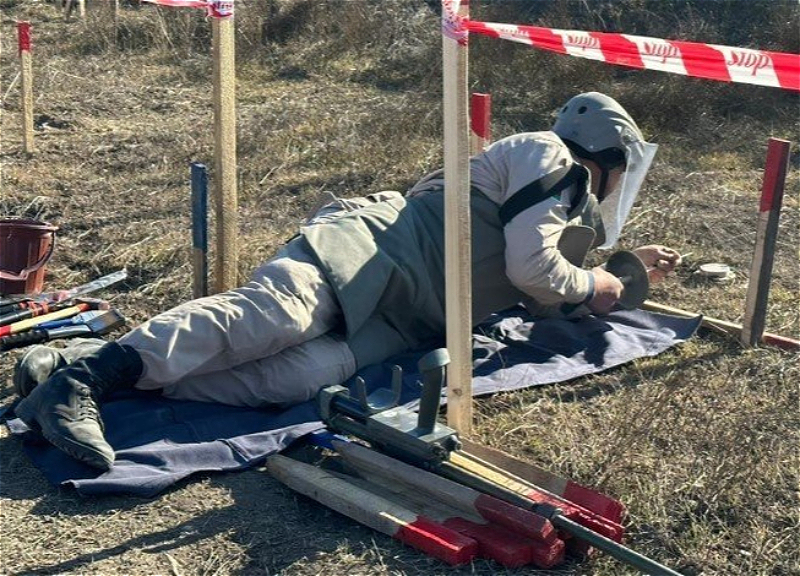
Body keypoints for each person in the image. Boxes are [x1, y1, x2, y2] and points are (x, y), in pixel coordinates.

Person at [14, 92, 682, 471]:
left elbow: (551, 284)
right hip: (370, 255)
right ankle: (82, 383)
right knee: (273, 318)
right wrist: (594, 283)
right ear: (609, 151)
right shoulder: (550, 154)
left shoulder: (566, 209)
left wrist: (623, 270)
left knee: (288, 379)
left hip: (403, 316)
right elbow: (536, 271)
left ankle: (79, 371)